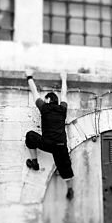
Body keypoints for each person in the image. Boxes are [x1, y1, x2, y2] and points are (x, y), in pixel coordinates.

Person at [24, 70, 74, 200]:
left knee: (30, 136)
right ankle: (69, 189)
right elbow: (64, 94)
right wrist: (64, 78)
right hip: (60, 145)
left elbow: (34, 93)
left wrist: (29, 76)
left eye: (46, 98)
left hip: (47, 143)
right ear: (56, 101)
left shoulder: (44, 108)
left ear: (48, 99)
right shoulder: (63, 109)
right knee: (65, 168)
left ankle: (34, 162)